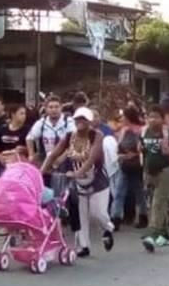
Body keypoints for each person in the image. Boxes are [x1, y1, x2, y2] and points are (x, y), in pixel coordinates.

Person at [41, 107, 115, 257]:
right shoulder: (69, 136)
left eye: (84, 119)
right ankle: (83, 246)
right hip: (78, 182)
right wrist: (42, 170)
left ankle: (108, 228)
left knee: (97, 214)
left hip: (97, 181)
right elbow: (54, 153)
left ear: (89, 121)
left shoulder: (96, 135)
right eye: (78, 119)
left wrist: (77, 173)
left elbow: (92, 157)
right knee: (81, 215)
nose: (80, 122)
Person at [140, 105, 169, 251]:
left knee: (158, 202)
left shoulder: (168, 132)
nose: (153, 120)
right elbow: (141, 147)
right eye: (150, 117)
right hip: (149, 171)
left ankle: (152, 234)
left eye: (156, 117)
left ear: (162, 118)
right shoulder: (145, 131)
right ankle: (163, 235)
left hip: (165, 170)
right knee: (155, 202)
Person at [112, 105, 147, 230]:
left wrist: (134, 154)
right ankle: (115, 218)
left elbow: (144, 148)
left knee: (139, 192)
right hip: (125, 165)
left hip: (137, 165)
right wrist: (121, 155)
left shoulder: (140, 130)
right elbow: (118, 146)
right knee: (119, 192)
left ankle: (143, 215)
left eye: (124, 117)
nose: (122, 119)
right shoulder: (124, 130)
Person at [26, 95, 74, 171]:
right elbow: (29, 138)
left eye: (56, 107)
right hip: (45, 161)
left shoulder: (68, 121)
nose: (54, 110)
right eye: (51, 107)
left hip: (65, 161)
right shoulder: (42, 122)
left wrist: (61, 158)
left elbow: (74, 141)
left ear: (61, 107)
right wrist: (31, 155)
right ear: (46, 109)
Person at [0, 104, 31, 170]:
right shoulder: (2, 129)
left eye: (25, 114)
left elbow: (32, 149)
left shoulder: (28, 130)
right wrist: (0, 158)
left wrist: (24, 149)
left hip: (19, 164)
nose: (24, 116)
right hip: (2, 164)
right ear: (13, 115)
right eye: (21, 114)